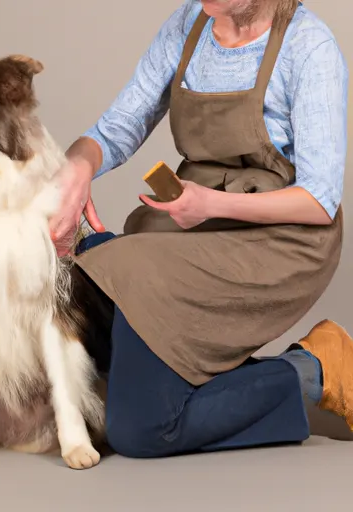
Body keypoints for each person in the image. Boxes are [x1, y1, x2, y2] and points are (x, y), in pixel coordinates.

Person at [48, 0, 352, 458]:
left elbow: (319, 201)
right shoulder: (191, 23)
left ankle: (315, 369)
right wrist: (76, 168)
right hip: (192, 223)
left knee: (141, 430)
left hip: (281, 241)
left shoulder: (309, 47)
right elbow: (118, 126)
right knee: (86, 297)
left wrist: (211, 203)